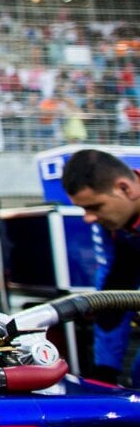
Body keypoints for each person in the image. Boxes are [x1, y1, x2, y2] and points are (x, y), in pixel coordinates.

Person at [61, 148, 140, 387]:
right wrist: (105, 372)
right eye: (84, 209)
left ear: (125, 188)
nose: (88, 218)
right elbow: (111, 296)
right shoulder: (112, 225)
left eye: (95, 207)